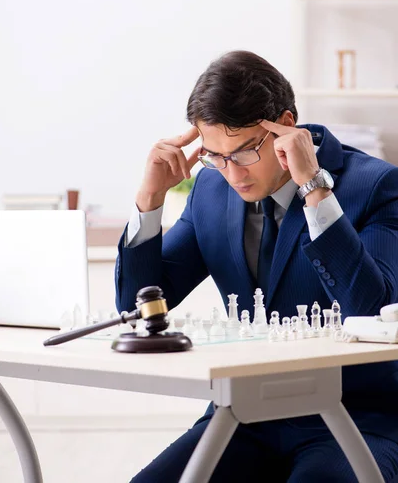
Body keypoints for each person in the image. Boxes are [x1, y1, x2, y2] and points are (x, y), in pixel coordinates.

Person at [116, 50, 398, 482]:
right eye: (215, 155)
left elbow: (370, 309)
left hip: (357, 418)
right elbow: (139, 307)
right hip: (244, 415)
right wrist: (148, 202)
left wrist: (314, 189)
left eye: (245, 151)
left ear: (286, 125)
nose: (232, 173)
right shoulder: (210, 190)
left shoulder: (375, 184)